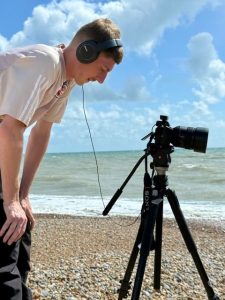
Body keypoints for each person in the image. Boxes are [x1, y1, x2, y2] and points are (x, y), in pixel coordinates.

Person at [0, 18, 123, 300]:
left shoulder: (66, 81)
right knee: (6, 236)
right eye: (103, 69)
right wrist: (10, 201)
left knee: (23, 225)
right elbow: (10, 130)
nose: (102, 80)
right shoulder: (46, 62)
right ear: (86, 51)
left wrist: (23, 195)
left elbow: (40, 133)